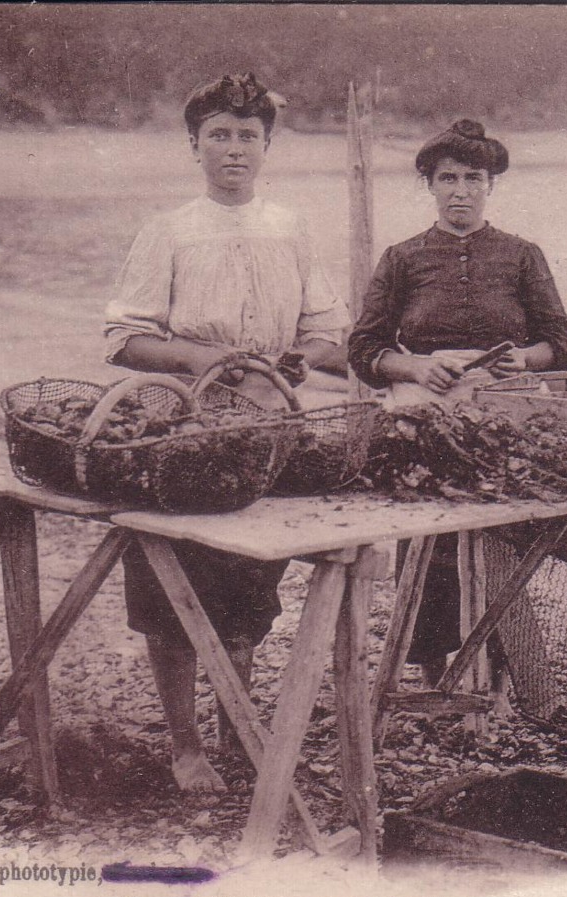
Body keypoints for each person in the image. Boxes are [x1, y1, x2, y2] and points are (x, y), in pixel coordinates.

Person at [103, 72, 351, 791]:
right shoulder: (170, 230)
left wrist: (310, 358)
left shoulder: (291, 228)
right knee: (170, 585)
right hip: (180, 427)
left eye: (247, 135)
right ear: (194, 145)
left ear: (267, 145)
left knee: (248, 588)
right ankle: (186, 747)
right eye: (219, 135)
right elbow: (122, 338)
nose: (233, 149)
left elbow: (322, 333)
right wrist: (202, 357)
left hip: (267, 426)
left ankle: (236, 730)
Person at [349, 119, 567, 684]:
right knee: (431, 538)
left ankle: (501, 669)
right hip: (427, 410)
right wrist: (418, 366)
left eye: (473, 178)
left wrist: (525, 359)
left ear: (491, 184)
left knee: (504, 533)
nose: (460, 191)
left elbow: (563, 346)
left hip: (505, 410)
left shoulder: (522, 256)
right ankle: (429, 670)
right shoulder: (402, 259)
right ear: (429, 184)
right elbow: (363, 349)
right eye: (447, 178)